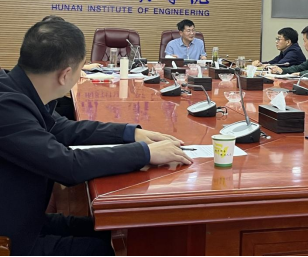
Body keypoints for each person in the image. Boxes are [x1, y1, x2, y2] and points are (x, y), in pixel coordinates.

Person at [0, 20, 193, 256]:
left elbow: (64, 129)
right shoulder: (7, 108)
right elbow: (66, 165)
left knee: (106, 231)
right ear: (66, 75)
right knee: (99, 250)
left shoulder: (17, 90)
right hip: (11, 237)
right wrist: (145, 153)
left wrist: (131, 133)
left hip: (24, 218)